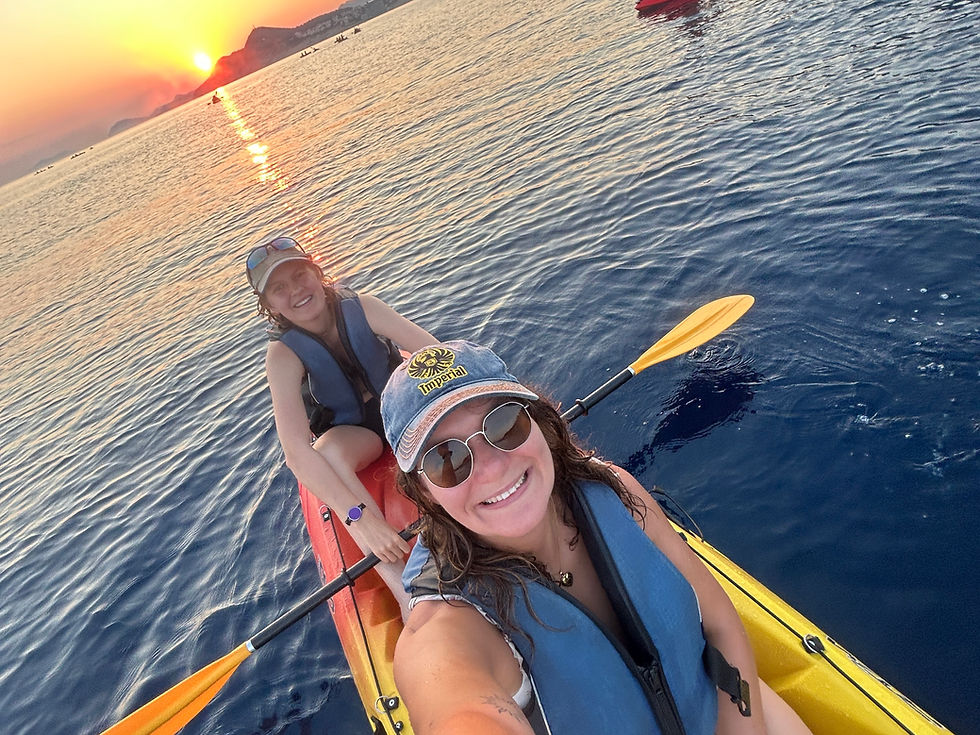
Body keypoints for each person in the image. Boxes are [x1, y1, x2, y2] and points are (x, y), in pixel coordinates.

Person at [380, 340, 813, 735]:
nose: (493, 468)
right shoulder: (449, 627)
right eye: (446, 458)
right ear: (425, 492)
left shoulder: (613, 489)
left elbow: (717, 618)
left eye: (504, 423)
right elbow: (455, 706)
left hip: (721, 714)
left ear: (538, 423)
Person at [246, 235, 436, 614]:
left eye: (300, 276)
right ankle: (405, 594)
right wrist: (359, 518)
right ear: (268, 306)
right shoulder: (282, 354)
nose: (296, 292)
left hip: (400, 412)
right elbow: (296, 452)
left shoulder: (363, 307)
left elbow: (435, 351)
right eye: (279, 289)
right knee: (325, 452)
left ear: (317, 272)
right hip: (356, 435)